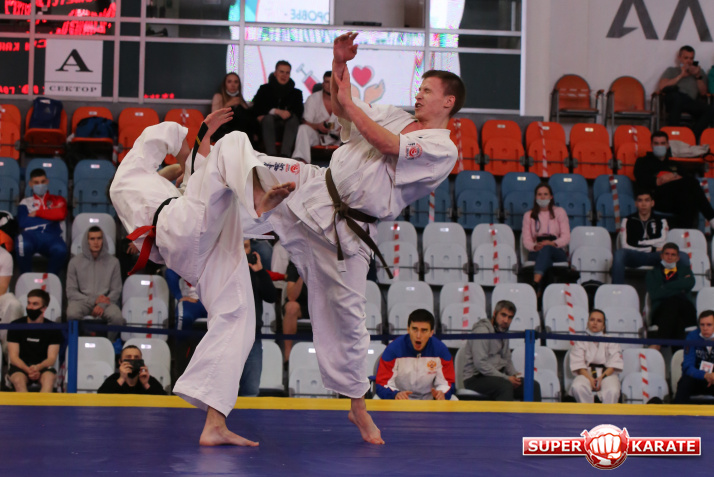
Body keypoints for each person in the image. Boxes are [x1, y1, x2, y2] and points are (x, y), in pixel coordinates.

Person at [236, 32, 464, 444]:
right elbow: (344, 107)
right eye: (420, 88)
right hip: (314, 188)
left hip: (350, 231)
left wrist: (352, 104)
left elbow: (384, 142)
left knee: (350, 322)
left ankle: (358, 406)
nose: (419, 94)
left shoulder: (441, 148)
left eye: (428, 91)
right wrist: (339, 63)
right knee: (248, 164)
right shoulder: (394, 113)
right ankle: (178, 206)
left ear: (448, 102)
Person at [110, 108, 296, 446]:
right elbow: (162, 136)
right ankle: (258, 200)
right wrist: (198, 139)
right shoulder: (127, 176)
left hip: (192, 251)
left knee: (238, 315)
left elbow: (187, 178)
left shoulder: (149, 188)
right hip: (179, 228)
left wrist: (196, 150)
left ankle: (215, 422)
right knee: (232, 142)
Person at [461, 300, 542, 402]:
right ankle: (505, 413)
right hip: (475, 378)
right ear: (495, 314)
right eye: (503, 315)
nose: (506, 320)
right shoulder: (481, 330)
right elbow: (480, 364)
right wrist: (506, 378)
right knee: (505, 386)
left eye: (510, 317)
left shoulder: (503, 332)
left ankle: (531, 413)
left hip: (498, 377)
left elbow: (507, 359)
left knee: (532, 386)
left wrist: (515, 376)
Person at [634, 130, 714, 229]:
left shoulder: (674, 164)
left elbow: (688, 179)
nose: (659, 146)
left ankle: (686, 232)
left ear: (667, 145)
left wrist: (671, 175)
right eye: (656, 143)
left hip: (676, 200)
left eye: (662, 143)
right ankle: (712, 219)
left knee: (689, 195)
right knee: (690, 186)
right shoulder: (643, 162)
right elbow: (642, 179)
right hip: (656, 199)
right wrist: (662, 180)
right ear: (651, 145)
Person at [611, 189, 689, 284]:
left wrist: (639, 243)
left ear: (652, 203)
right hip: (636, 256)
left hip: (656, 256)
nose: (643, 204)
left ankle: (681, 289)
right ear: (636, 203)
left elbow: (662, 243)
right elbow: (626, 245)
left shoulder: (661, 220)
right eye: (640, 200)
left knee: (683, 256)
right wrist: (653, 248)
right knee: (620, 254)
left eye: (647, 200)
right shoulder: (627, 220)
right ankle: (617, 289)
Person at [375, 309, 455, 400]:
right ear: (408, 329)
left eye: (424, 330)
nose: (418, 335)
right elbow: (382, 383)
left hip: (430, 400)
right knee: (376, 399)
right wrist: (395, 394)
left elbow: (447, 383)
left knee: (453, 399)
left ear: (431, 333)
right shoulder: (393, 349)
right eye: (414, 329)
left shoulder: (441, 351)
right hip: (400, 399)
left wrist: (442, 393)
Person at [66, 226, 124, 338]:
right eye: (92, 239)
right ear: (87, 241)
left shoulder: (114, 262)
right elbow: (71, 291)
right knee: (72, 313)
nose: (96, 242)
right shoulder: (74, 262)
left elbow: (116, 290)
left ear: (103, 240)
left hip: (106, 301)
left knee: (117, 317)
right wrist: (93, 301)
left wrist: (101, 304)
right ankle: (77, 343)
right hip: (82, 301)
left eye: (99, 238)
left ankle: (109, 343)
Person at [239, 239, 277, 397]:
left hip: (252, 337)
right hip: (227, 336)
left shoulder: (255, 273)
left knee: (251, 391)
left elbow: (271, 296)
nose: (242, 251)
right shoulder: (222, 270)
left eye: (246, 247)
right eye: (239, 246)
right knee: (223, 391)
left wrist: (260, 271)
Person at [7, 289, 62, 393]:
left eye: (35, 304)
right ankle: (24, 404)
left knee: (49, 379)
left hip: (43, 367)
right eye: (29, 303)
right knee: (18, 380)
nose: (30, 307)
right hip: (20, 367)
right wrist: (28, 370)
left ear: (44, 308)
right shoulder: (15, 325)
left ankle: (42, 404)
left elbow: (51, 358)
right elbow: (13, 357)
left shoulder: (53, 328)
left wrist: (38, 367)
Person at [15, 168, 68, 275]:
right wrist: (51, 215)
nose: (40, 185)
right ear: (30, 184)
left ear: (47, 181)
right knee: (21, 245)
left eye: (43, 181)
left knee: (61, 250)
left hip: (52, 235)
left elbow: (61, 214)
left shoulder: (58, 199)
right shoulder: (25, 202)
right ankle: (26, 278)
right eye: (36, 182)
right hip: (31, 235)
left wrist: (37, 213)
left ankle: (50, 280)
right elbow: (23, 222)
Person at [657, 45, 714, 140]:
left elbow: (703, 93)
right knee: (677, 98)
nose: (689, 61)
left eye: (691, 58)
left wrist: (698, 76)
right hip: (673, 99)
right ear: (679, 58)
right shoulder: (672, 70)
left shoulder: (699, 72)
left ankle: (692, 136)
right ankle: (673, 138)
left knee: (710, 110)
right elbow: (662, 86)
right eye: (686, 58)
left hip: (689, 101)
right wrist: (681, 76)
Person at [521, 183, 570, 294]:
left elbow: (566, 237)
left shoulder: (560, 212)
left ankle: (536, 283)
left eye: (545, 194)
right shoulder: (528, 215)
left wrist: (552, 243)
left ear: (551, 197)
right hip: (537, 248)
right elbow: (526, 240)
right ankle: (543, 290)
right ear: (535, 197)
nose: (542, 197)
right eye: (539, 194)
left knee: (547, 249)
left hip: (556, 249)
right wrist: (535, 246)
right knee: (545, 255)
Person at [646, 242, 696, 347]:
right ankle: (678, 353)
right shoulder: (652, 273)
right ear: (661, 256)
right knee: (676, 314)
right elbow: (655, 294)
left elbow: (690, 283)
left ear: (678, 258)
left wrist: (665, 286)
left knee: (675, 304)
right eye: (667, 254)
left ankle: (657, 344)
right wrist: (680, 288)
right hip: (661, 311)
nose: (669, 257)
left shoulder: (685, 270)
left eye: (673, 255)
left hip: (686, 309)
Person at [568, 309, 623, 404]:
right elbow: (579, 365)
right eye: (592, 320)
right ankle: (586, 412)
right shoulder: (580, 340)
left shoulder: (611, 340)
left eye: (599, 321)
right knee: (578, 386)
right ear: (588, 323)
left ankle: (608, 413)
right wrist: (590, 379)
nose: (595, 323)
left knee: (613, 390)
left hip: (607, 374)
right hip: (586, 373)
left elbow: (614, 364)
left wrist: (601, 378)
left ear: (603, 326)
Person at [252, 60, 304, 156]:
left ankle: (285, 156)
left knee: (293, 119)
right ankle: (271, 156)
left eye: (287, 73)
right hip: (268, 127)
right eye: (281, 72)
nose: (284, 75)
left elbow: (299, 112)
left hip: (289, 128)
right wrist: (275, 111)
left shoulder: (296, 93)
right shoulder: (264, 89)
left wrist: (289, 113)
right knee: (267, 118)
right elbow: (257, 108)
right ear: (275, 73)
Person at [292, 71, 340, 164]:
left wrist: (345, 128)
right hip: (317, 136)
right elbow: (305, 121)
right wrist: (318, 126)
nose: (329, 85)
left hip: (339, 138)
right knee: (303, 128)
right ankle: (301, 161)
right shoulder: (313, 99)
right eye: (327, 82)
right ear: (323, 84)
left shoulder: (344, 100)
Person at [673, 310, 714, 403]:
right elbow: (687, 367)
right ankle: (677, 411)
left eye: (709, 325)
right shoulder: (692, 337)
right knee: (685, 381)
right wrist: (705, 375)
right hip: (697, 378)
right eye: (702, 325)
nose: (705, 328)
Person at [97, 344, 166, 395]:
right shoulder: (113, 379)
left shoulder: (149, 380)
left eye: (136, 358)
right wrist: (121, 379)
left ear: (141, 362)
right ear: (120, 362)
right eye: (128, 357)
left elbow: (164, 400)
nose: (132, 360)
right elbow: (100, 398)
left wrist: (146, 384)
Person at [210, 72, 258, 143]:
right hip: (224, 132)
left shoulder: (241, 100)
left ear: (239, 85)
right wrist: (228, 104)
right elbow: (214, 119)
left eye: (236, 82)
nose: (233, 85)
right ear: (225, 84)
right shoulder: (218, 96)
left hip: (242, 134)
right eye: (229, 82)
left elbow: (249, 119)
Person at [282, 260, 309, 363]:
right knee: (291, 307)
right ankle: (288, 356)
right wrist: (303, 275)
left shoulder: (326, 262)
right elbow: (291, 296)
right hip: (301, 304)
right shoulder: (296, 263)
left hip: (321, 304)